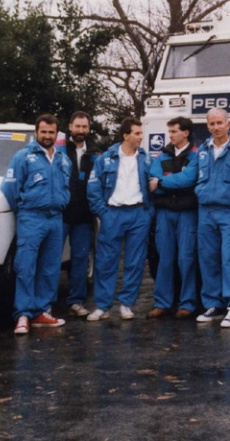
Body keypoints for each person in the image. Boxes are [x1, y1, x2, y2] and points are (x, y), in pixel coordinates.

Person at [1, 115, 71, 335]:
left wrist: (63, 200)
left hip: (55, 219)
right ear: (36, 132)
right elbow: (10, 188)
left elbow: (66, 186)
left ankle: (42, 312)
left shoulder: (62, 159)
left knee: (50, 269)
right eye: (44, 132)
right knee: (26, 267)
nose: (47, 136)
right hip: (31, 218)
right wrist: (24, 210)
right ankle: (22, 315)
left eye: (51, 132)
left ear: (56, 134)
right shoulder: (23, 157)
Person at [85, 117, 154, 322]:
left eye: (141, 133)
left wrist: (148, 213)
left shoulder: (146, 158)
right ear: (126, 135)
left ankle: (126, 304)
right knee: (106, 261)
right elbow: (93, 188)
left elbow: (153, 184)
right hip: (113, 213)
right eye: (137, 133)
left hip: (138, 213)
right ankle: (102, 306)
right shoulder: (106, 158)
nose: (141, 137)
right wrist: (103, 213)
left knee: (135, 261)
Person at [194, 108, 230, 328]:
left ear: (228, 124)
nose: (216, 127)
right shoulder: (203, 150)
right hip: (206, 211)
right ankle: (213, 304)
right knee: (208, 259)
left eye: (219, 123)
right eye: (212, 124)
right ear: (207, 126)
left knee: (229, 258)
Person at [147, 116, 200, 319]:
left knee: (186, 259)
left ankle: (187, 303)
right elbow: (152, 176)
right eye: (169, 132)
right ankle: (162, 303)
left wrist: (162, 183)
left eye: (174, 132)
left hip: (187, 213)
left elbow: (189, 179)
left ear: (185, 133)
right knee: (164, 259)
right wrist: (169, 183)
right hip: (165, 214)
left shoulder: (196, 154)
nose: (170, 136)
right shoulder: (162, 155)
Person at [57, 111, 98, 317]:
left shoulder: (95, 152)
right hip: (61, 213)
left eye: (84, 127)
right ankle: (46, 303)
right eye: (77, 126)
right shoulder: (59, 148)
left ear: (88, 128)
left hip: (84, 215)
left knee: (80, 258)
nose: (81, 131)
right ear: (70, 127)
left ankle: (76, 301)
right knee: (52, 258)